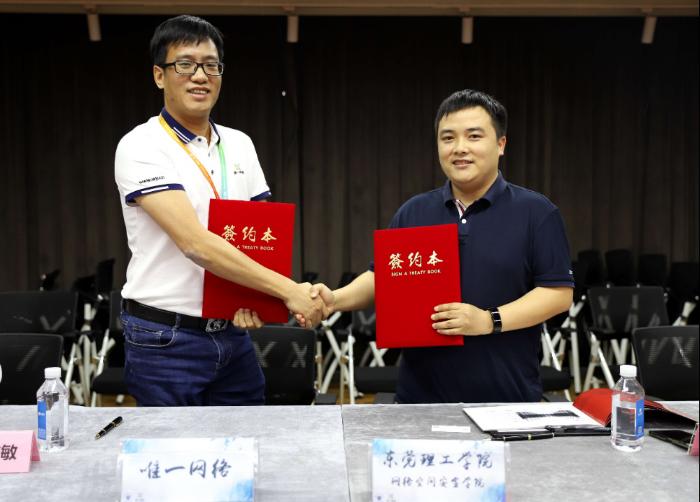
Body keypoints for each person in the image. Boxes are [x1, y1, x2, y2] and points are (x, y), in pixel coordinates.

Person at [290, 89, 575, 403]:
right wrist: (334, 300)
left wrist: (488, 320)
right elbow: (382, 278)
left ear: (501, 144)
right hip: (420, 401)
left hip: (506, 399)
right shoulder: (414, 212)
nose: (460, 148)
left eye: (474, 136)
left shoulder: (536, 213)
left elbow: (558, 294)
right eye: (448, 138)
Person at [114, 15, 326, 406]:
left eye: (211, 65)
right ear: (159, 76)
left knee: (247, 440)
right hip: (166, 338)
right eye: (185, 64)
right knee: (173, 445)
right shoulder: (141, 145)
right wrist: (289, 292)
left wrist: (254, 299)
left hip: (231, 333)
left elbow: (261, 240)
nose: (200, 76)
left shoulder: (240, 144)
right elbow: (194, 243)